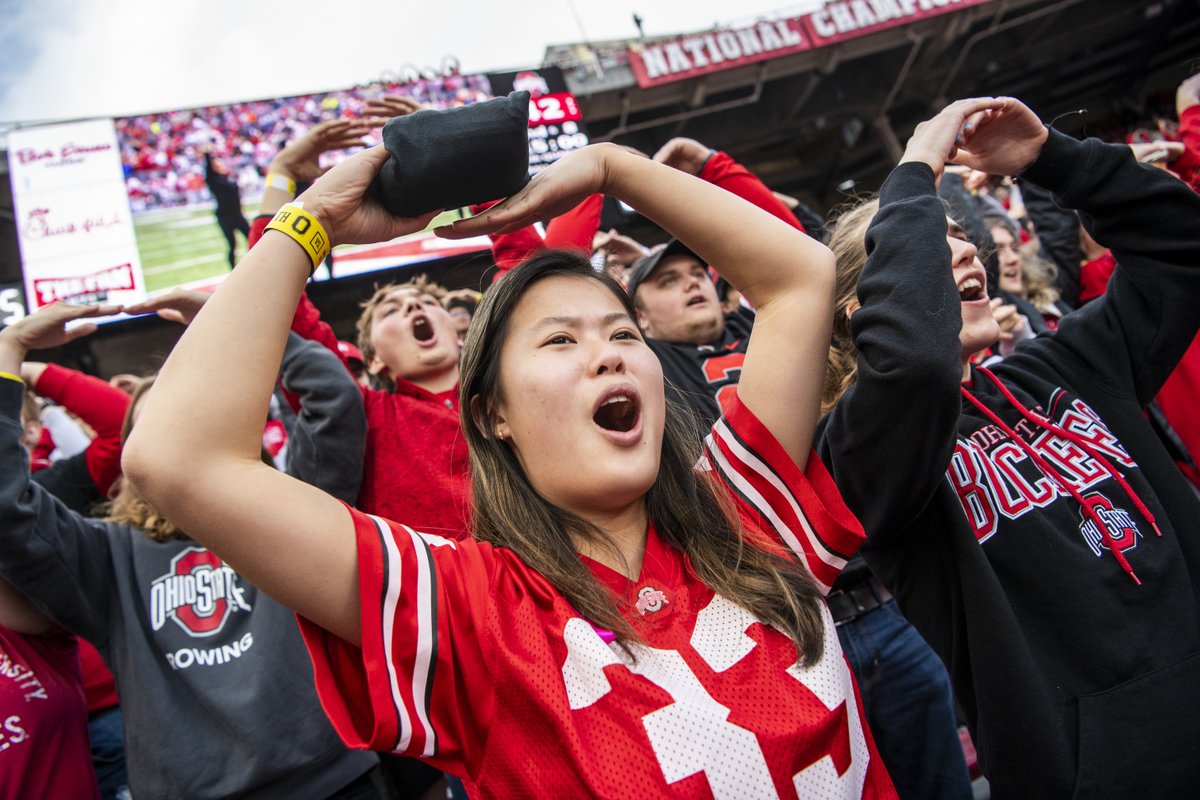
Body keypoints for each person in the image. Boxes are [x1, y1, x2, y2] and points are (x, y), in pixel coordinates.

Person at [124, 139, 897, 797]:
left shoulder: (750, 510)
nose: (606, 354)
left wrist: (610, 167)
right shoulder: (468, 613)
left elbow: (801, 277)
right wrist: (309, 219)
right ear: (493, 412)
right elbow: (177, 459)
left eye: (623, 334)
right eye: (560, 341)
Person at [817, 96, 1200, 798]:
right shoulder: (862, 452)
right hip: (1099, 774)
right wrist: (914, 171)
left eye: (960, 235)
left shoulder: (1068, 363)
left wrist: (1051, 158)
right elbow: (916, 364)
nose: (966, 249)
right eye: (932, 245)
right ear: (865, 313)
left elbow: (1180, 244)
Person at [0, 303, 382, 799]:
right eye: (153, 421)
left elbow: (333, 400)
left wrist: (249, 316)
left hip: (336, 781)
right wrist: (8, 349)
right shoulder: (104, 557)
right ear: (131, 457)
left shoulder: (286, 510)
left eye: (188, 407)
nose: (173, 429)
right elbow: (8, 505)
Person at [204, 150, 251, 269]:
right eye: (218, 165)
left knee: (252, 239)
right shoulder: (214, 181)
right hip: (225, 217)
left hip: (238, 215)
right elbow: (208, 171)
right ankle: (233, 270)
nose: (222, 166)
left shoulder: (230, 178)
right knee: (232, 244)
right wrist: (207, 154)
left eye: (222, 164)